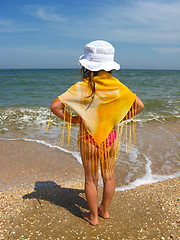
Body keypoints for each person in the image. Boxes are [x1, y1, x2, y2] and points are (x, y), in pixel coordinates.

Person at [49, 40, 144, 226]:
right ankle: (105, 211)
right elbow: (139, 105)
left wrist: (73, 119)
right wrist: (118, 120)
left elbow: (55, 106)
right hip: (110, 136)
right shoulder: (118, 87)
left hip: (88, 137)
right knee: (109, 175)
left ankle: (93, 216)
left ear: (87, 66)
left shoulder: (82, 86)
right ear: (110, 66)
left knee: (90, 179)